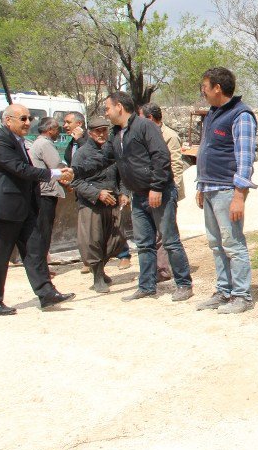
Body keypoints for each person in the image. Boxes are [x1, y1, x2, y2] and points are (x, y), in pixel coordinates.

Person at [72, 91, 193, 303]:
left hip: (159, 193)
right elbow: (104, 159)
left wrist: (156, 188)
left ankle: (184, 284)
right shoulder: (117, 134)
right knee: (144, 243)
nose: (106, 113)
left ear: (119, 106)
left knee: (170, 240)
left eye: (107, 108)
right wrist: (76, 172)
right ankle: (146, 286)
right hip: (138, 195)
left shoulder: (145, 127)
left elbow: (161, 156)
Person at [0, 104, 75, 315]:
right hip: (4, 210)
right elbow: (20, 169)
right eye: (23, 118)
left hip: (23, 209)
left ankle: (46, 293)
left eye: (29, 118)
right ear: (8, 121)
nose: (28, 122)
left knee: (34, 251)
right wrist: (56, 174)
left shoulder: (18, 141)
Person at [193, 68, 257, 315]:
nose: (203, 91)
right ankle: (224, 291)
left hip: (227, 190)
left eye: (205, 87)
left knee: (232, 243)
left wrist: (239, 196)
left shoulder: (240, 116)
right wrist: (201, 185)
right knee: (215, 243)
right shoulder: (212, 115)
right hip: (209, 187)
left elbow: (245, 158)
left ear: (217, 88)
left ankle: (241, 295)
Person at [71, 116, 127, 293]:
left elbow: (121, 173)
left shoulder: (111, 150)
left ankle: (101, 271)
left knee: (113, 239)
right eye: (98, 131)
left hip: (112, 201)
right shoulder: (82, 153)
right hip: (92, 203)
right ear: (90, 132)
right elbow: (75, 181)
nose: (102, 134)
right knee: (92, 240)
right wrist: (97, 194)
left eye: (104, 130)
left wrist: (124, 192)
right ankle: (97, 276)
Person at [141, 102, 186, 282]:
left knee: (166, 233)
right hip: (151, 189)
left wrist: (171, 189)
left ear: (150, 118)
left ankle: (165, 270)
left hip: (165, 190)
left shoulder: (170, 136)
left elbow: (176, 164)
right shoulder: (145, 134)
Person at [30, 117, 67, 273]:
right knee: (44, 230)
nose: (59, 132)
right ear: (50, 130)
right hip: (46, 191)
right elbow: (57, 167)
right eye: (57, 129)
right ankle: (42, 267)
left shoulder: (37, 143)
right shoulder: (45, 144)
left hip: (41, 190)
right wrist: (70, 180)